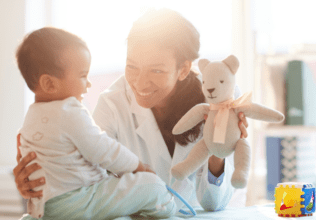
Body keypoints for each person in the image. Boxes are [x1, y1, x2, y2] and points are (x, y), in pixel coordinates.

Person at [13, 8, 249, 217]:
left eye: (156, 71)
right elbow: (90, 177)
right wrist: (44, 175)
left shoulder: (217, 98)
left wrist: (219, 148)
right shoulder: (111, 105)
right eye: (132, 67)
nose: (140, 82)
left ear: (183, 69)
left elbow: (213, 203)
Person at [15, 27, 177, 220]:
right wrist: (138, 166)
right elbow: (102, 149)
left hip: (45, 209)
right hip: (78, 202)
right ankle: (169, 208)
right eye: (83, 76)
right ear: (49, 84)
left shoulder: (30, 120)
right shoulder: (69, 111)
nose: (89, 84)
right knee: (151, 185)